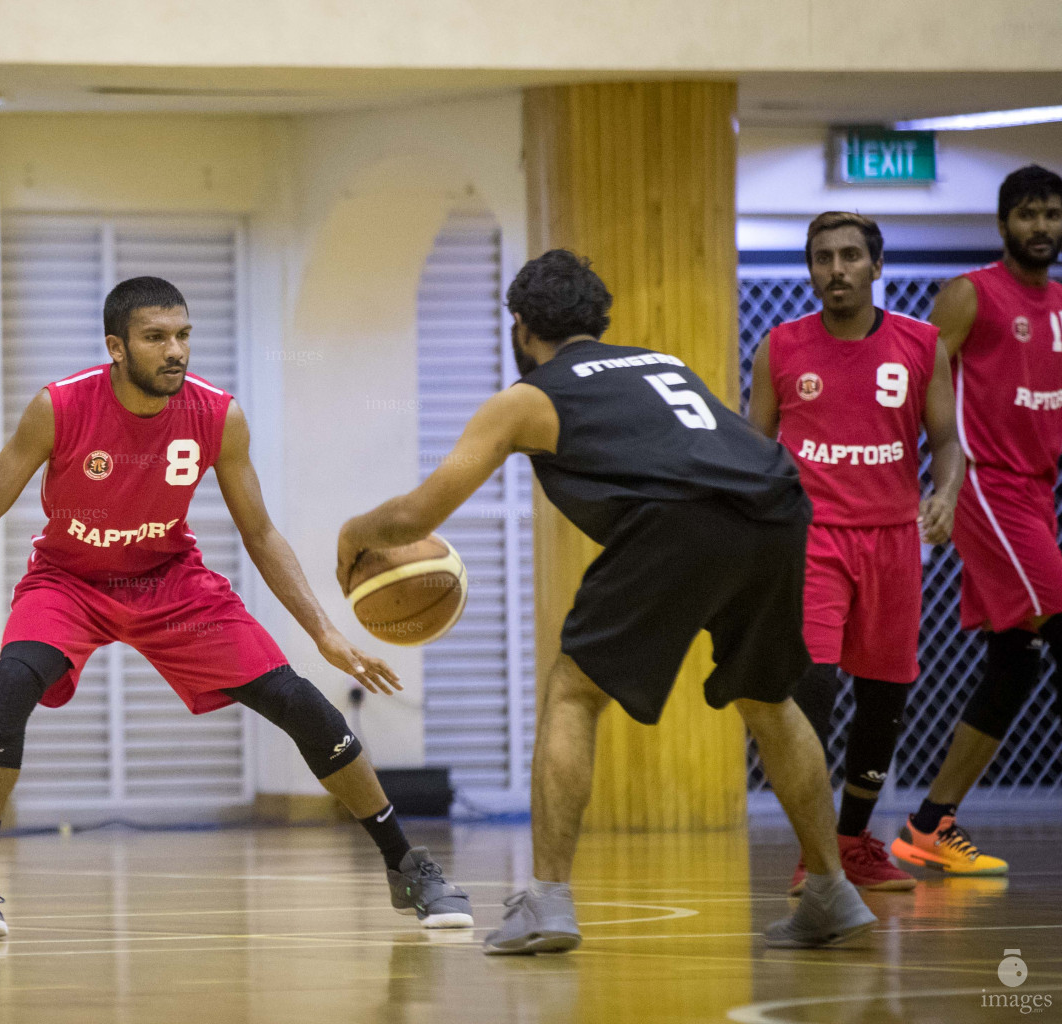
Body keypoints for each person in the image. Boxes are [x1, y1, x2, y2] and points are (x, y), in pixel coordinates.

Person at [0, 276, 473, 940]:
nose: (175, 350)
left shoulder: (218, 415)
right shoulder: (59, 407)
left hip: (171, 581)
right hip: (69, 581)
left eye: (182, 335)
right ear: (116, 347)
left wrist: (323, 631)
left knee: (299, 701)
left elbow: (260, 533)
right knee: (9, 683)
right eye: (156, 338)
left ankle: (406, 866)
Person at [339, 249, 877, 954]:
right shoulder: (663, 364)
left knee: (573, 693)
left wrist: (354, 534)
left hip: (677, 520)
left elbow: (414, 518)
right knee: (771, 700)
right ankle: (833, 892)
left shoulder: (528, 399)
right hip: (776, 507)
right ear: (598, 317)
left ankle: (548, 903)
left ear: (522, 326)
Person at [749, 211, 963, 893]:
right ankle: (816, 853)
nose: (835, 269)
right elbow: (754, 452)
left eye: (848, 256)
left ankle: (854, 843)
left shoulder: (921, 344)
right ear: (809, 269)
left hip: (894, 541)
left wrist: (946, 494)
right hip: (811, 540)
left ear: (876, 265)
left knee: (884, 696)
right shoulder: (780, 347)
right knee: (811, 686)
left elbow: (947, 442)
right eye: (821, 258)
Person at [888, 164, 1062, 877]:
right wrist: (925, 481)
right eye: (1027, 214)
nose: (1041, 227)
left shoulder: (1058, 304)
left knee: (1013, 662)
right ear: (1002, 225)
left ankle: (928, 825)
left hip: (1037, 494)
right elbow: (913, 369)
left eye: (1051, 213)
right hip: (986, 489)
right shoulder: (971, 293)